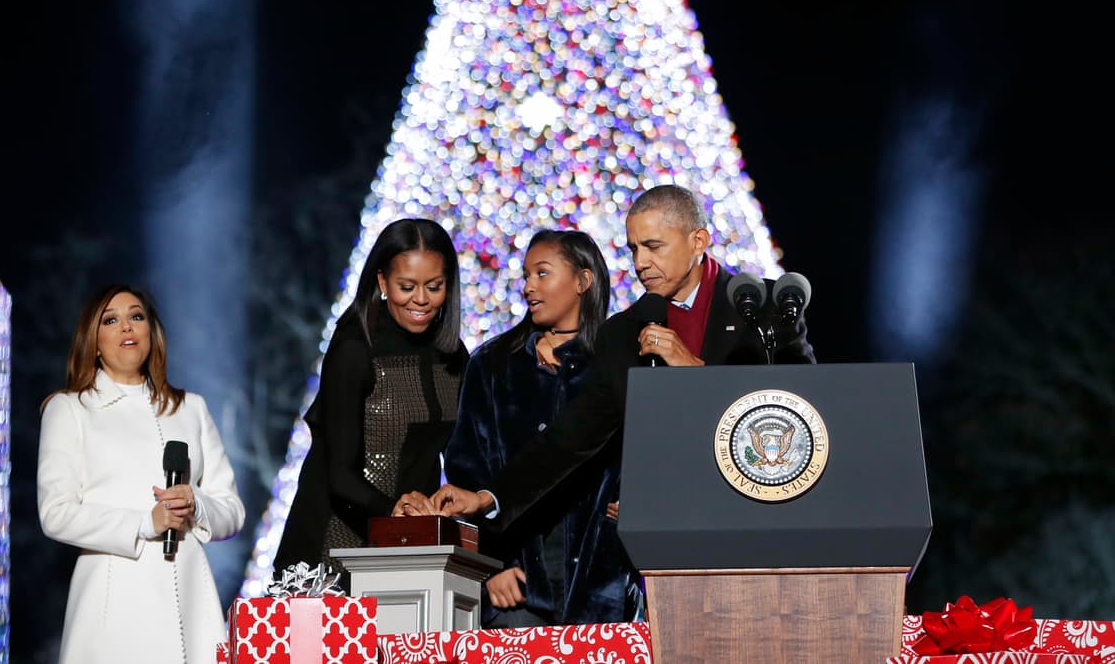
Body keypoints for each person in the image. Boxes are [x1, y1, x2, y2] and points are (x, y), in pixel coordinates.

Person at [432, 183, 815, 530]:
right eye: (634, 248)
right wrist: (489, 496)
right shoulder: (622, 333)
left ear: (698, 241)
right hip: (672, 530)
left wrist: (696, 372)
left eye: (654, 246)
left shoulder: (766, 308)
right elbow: (570, 437)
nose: (640, 263)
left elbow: (808, 408)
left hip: (766, 516)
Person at [37, 283, 246, 664]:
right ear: (94, 341)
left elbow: (231, 510)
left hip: (189, 592)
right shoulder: (69, 410)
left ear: (152, 331)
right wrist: (143, 523)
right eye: (111, 320)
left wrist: (195, 504)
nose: (127, 328)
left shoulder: (190, 408)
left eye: (136, 317)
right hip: (114, 594)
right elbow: (56, 514)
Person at [444, 229, 642, 627]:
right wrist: (492, 565)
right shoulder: (493, 364)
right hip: (517, 590)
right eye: (526, 276)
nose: (529, 287)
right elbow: (468, 468)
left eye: (542, 274)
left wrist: (637, 500)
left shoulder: (617, 364)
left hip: (600, 587)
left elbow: (642, 451)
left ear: (583, 281)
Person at [273, 217, 468, 578]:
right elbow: (339, 475)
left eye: (435, 286)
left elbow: (464, 453)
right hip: (333, 547)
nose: (421, 300)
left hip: (412, 550)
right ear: (382, 281)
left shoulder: (454, 355)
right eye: (407, 286)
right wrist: (394, 509)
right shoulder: (355, 348)